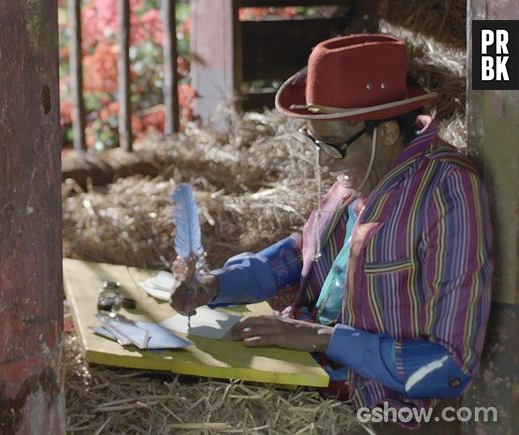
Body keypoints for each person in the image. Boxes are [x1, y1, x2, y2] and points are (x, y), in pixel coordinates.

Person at [171, 34, 493, 432]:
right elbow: (304, 253)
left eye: (334, 144)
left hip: (386, 411)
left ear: (388, 132)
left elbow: (450, 366)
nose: (324, 158)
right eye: (316, 141)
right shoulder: (359, 170)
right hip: (311, 377)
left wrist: (319, 338)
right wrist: (216, 284)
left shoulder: (446, 191)